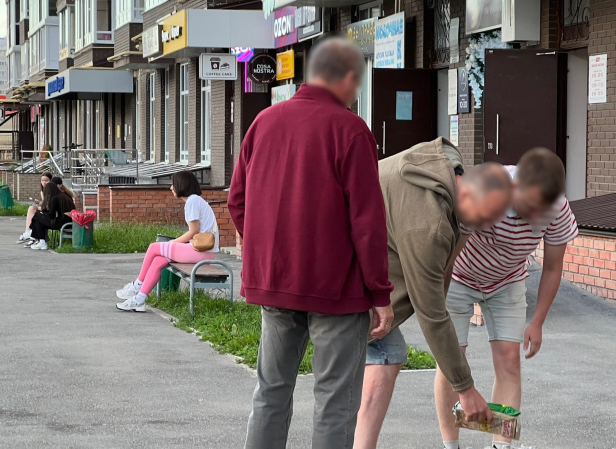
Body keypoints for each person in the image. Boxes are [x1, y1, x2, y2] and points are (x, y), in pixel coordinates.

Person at [229, 36, 393, 449]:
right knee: (334, 401)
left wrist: (269, 246)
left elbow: (237, 201)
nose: (356, 94)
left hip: (276, 281)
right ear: (346, 78)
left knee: (270, 391)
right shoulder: (351, 131)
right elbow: (367, 223)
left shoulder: (263, 122)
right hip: (337, 291)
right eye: (357, 84)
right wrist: (380, 292)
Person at [354, 138, 513, 449]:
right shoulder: (428, 227)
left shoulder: (447, 161)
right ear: (466, 190)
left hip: (362, 255)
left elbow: (443, 266)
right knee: (369, 356)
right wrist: (465, 389)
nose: (479, 228)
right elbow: (432, 315)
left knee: (388, 351)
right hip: (338, 272)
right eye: (480, 218)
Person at [434, 148, 579, 449]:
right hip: (460, 277)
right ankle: (451, 446)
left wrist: (537, 321)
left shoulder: (557, 208)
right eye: (529, 205)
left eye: (542, 209)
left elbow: (552, 267)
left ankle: (501, 446)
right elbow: (452, 248)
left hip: (507, 281)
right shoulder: (488, 190)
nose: (534, 217)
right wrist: (437, 295)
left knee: (510, 362)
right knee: (453, 361)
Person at [115, 171, 219, 312]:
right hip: (201, 251)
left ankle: (138, 284)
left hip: (201, 252)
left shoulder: (192, 201)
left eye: (174, 184)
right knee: (158, 260)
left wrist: (173, 243)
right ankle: (139, 300)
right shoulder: (195, 200)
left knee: (153, 247)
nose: (171, 188)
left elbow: (193, 231)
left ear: (182, 185)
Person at [27, 181, 76, 250]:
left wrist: (43, 212)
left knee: (37, 215)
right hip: (68, 221)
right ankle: (41, 241)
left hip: (62, 222)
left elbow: (51, 215)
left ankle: (40, 240)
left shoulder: (55, 198)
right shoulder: (65, 196)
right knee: (39, 220)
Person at [18, 172, 52, 243]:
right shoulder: (42, 192)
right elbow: (45, 203)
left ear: (50, 181)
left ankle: (29, 232)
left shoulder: (51, 191)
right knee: (32, 209)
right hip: (45, 209)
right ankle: (29, 232)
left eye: (46, 180)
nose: (44, 182)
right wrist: (39, 204)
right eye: (42, 180)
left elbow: (49, 206)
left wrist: (39, 207)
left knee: (33, 210)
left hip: (50, 212)